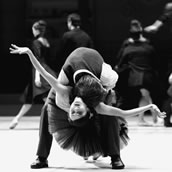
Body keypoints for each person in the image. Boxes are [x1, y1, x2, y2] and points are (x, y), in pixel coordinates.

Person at [9, 45, 165, 169]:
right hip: (101, 79)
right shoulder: (99, 100)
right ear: (88, 111)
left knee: (50, 107)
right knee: (107, 109)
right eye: (79, 112)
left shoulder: (66, 92)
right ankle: (41, 157)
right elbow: (124, 112)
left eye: (73, 112)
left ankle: (114, 156)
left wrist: (29, 52)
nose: (75, 108)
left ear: (69, 111)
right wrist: (151, 106)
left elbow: (45, 74)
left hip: (70, 77)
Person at [9, 20, 57, 129]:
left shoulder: (36, 42)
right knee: (30, 97)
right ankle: (16, 119)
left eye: (33, 29)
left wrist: (37, 76)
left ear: (36, 30)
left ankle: (56, 119)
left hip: (39, 71)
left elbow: (37, 59)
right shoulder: (46, 41)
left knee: (46, 97)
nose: (32, 31)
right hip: (46, 70)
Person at [114, 19, 161, 126]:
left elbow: (120, 60)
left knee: (144, 95)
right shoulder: (147, 45)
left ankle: (142, 119)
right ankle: (154, 118)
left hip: (138, 75)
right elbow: (155, 60)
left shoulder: (128, 46)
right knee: (145, 94)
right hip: (143, 75)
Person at [144, 2, 172, 127]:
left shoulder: (166, 17)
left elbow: (158, 23)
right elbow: (161, 20)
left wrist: (154, 26)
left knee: (170, 94)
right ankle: (166, 120)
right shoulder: (167, 16)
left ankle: (166, 119)